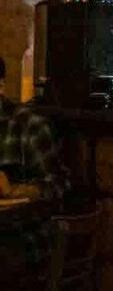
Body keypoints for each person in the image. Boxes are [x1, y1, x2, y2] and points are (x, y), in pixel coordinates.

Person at [0, 55, 67, 201]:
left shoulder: (28, 125)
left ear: (1, 85)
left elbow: (58, 184)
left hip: (17, 214)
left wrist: (14, 190)